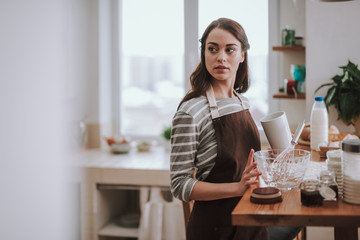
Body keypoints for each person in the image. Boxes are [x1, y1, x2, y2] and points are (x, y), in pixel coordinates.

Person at [169, 18, 302, 240]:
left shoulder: (243, 102)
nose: (221, 57)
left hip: (251, 219)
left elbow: (244, 162)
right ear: (204, 54)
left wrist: (276, 155)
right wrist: (236, 188)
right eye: (213, 49)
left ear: (242, 55)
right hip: (215, 228)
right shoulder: (191, 111)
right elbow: (179, 185)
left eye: (230, 49)